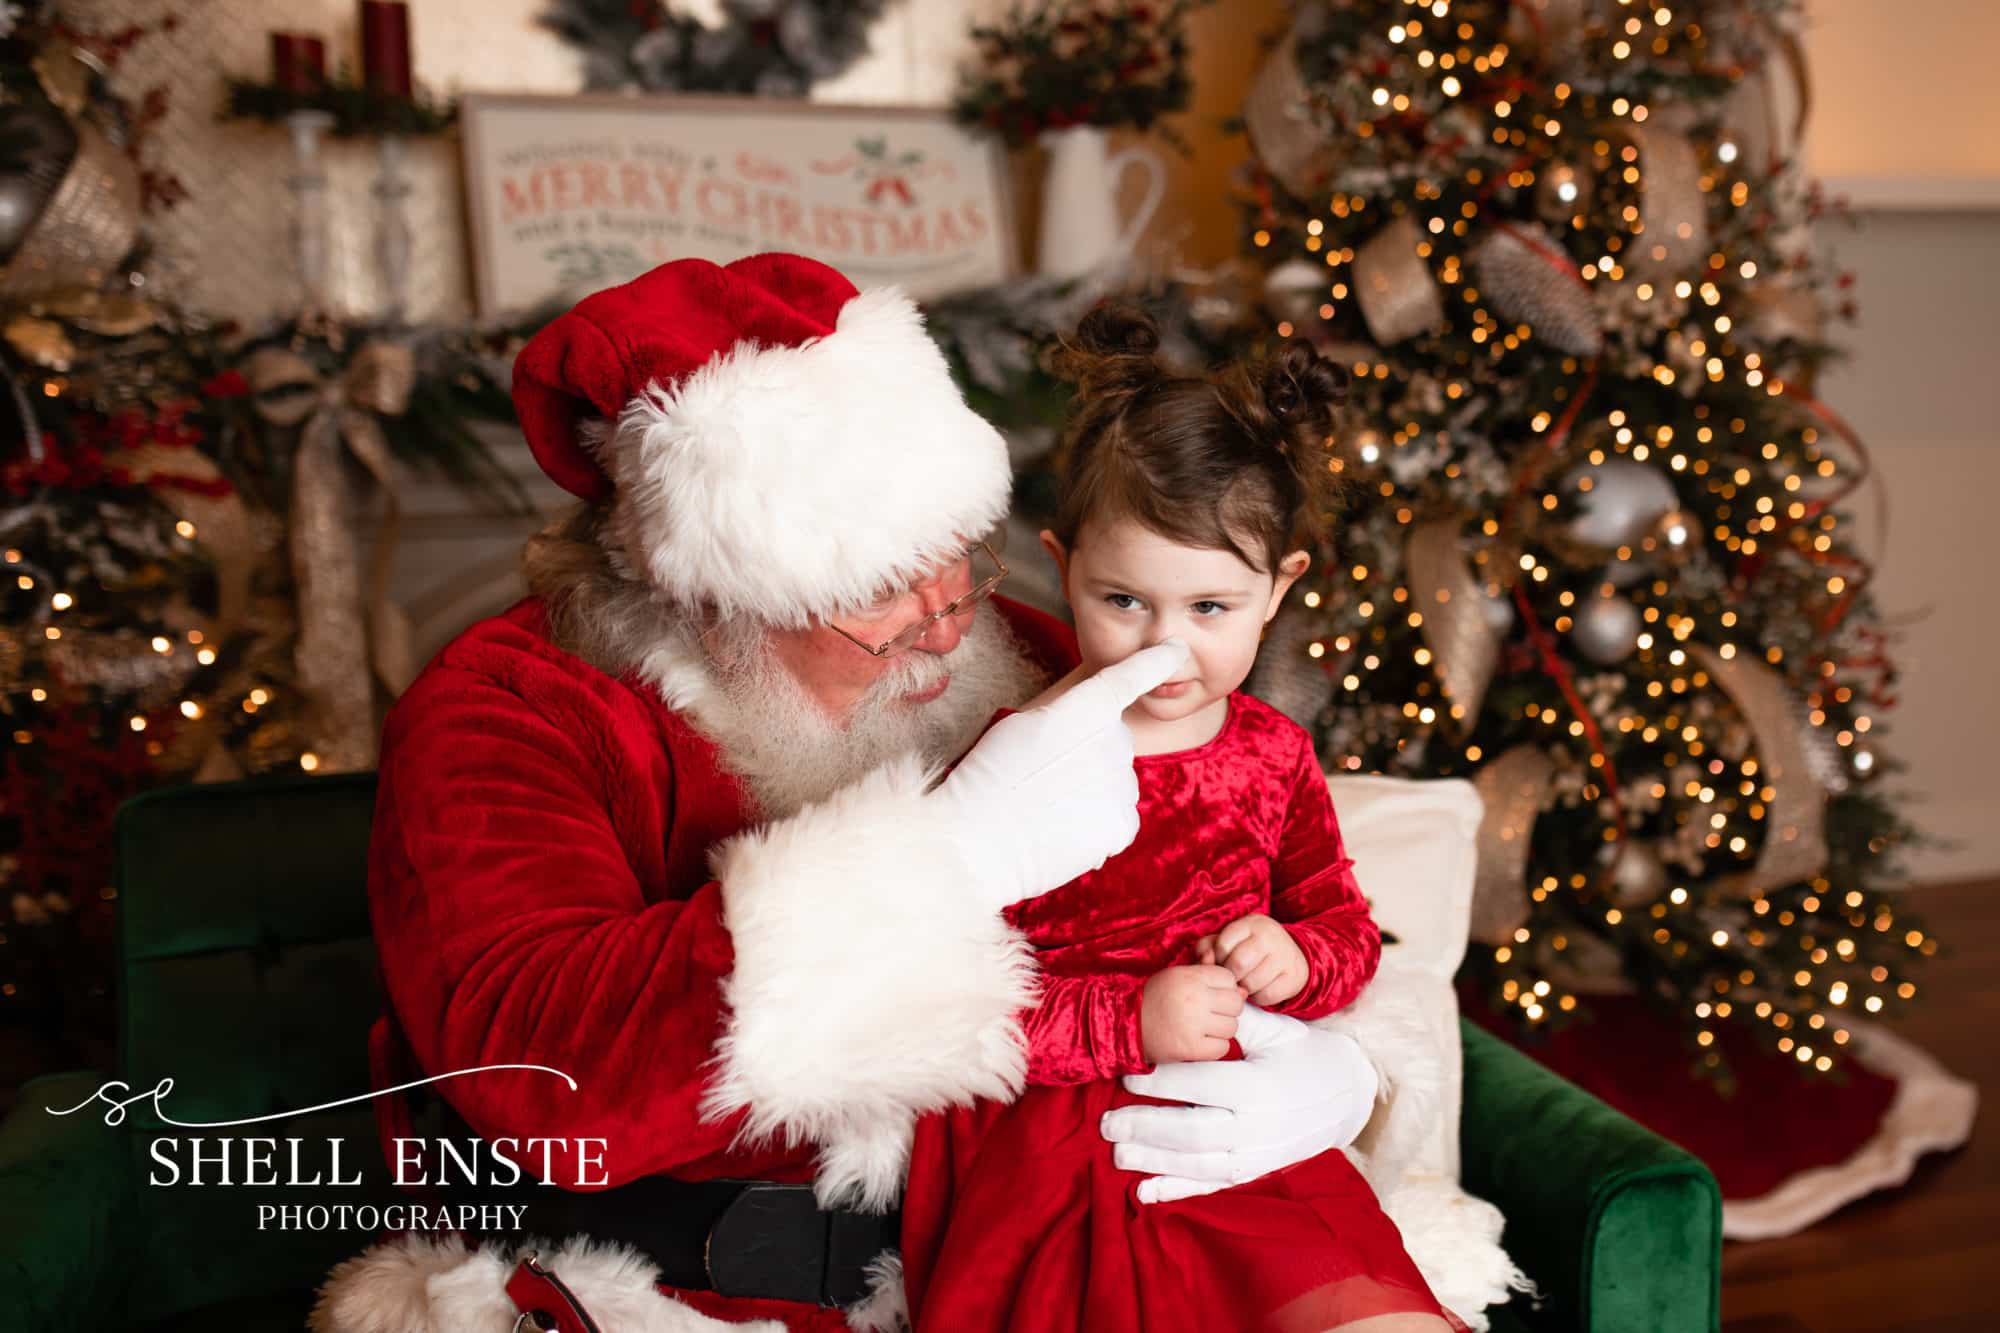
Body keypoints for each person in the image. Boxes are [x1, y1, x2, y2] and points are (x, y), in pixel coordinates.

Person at [313, 255, 1384, 1333]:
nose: (945, 619)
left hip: (1048, 1234)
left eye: (957, 556)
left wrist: (1338, 1067)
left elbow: (1247, 868)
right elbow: (545, 1080)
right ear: (707, 593)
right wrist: (944, 856)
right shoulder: (507, 712)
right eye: (874, 588)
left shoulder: (1036, 657)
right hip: (681, 1296)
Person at [897, 307, 1468, 1332]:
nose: (1164, 645)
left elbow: (1343, 927)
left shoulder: (1271, 755)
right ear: (1060, 565)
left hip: (1246, 1113)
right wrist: (1132, 1019)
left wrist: (1295, 959)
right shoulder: (1022, 757)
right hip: (1068, 1137)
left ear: (1277, 587)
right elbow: (950, 1004)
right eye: (1122, 600)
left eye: (1208, 609)